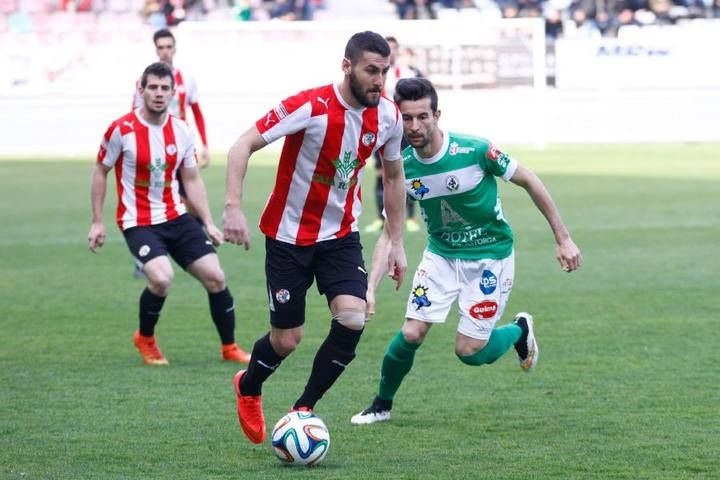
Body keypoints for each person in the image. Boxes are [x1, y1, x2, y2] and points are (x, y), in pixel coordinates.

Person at [350, 78, 583, 425]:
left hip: (491, 258)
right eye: (407, 118)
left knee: (469, 352)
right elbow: (391, 233)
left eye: (423, 117)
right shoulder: (401, 167)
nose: (415, 126)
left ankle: (519, 330)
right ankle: (382, 405)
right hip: (441, 256)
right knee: (412, 332)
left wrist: (563, 238)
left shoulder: (475, 151)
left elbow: (530, 180)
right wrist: (369, 289)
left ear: (437, 115)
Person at [223, 31, 408, 445]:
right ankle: (248, 386)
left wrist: (396, 241)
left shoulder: (389, 117)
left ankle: (302, 409)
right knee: (287, 339)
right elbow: (242, 145)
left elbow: (394, 176)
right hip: (288, 237)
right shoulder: (310, 105)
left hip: (340, 235)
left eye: (384, 71)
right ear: (347, 66)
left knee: (353, 317)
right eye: (371, 71)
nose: (379, 80)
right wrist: (233, 207)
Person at [88, 62, 251, 366]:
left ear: (173, 93)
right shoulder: (121, 129)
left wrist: (208, 223)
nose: (159, 94)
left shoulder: (181, 130)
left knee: (216, 277)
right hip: (138, 221)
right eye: (153, 87)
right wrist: (97, 221)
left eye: (165, 88)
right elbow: (101, 171)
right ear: (141, 89)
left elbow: (191, 179)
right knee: (162, 279)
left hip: (176, 217)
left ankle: (229, 346)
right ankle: (145, 338)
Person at [132, 28, 210, 278]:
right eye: (161, 47)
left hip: (182, 147)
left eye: (169, 46)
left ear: (174, 48)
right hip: (155, 148)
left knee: (192, 198)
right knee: (154, 198)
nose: (165, 51)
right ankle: (147, 255)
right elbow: (134, 114)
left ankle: (196, 246)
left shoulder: (186, 77)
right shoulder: (145, 81)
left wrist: (205, 144)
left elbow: (196, 110)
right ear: (155, 49)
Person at [366, 36, 422, 234]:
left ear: (397, 51)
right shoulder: (375, 74)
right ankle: (380, 219)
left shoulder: (407, 72)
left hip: (401, 129)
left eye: (392, 49)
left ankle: (411, 217)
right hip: (380, 127)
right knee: (381, 175)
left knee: (407, 171)